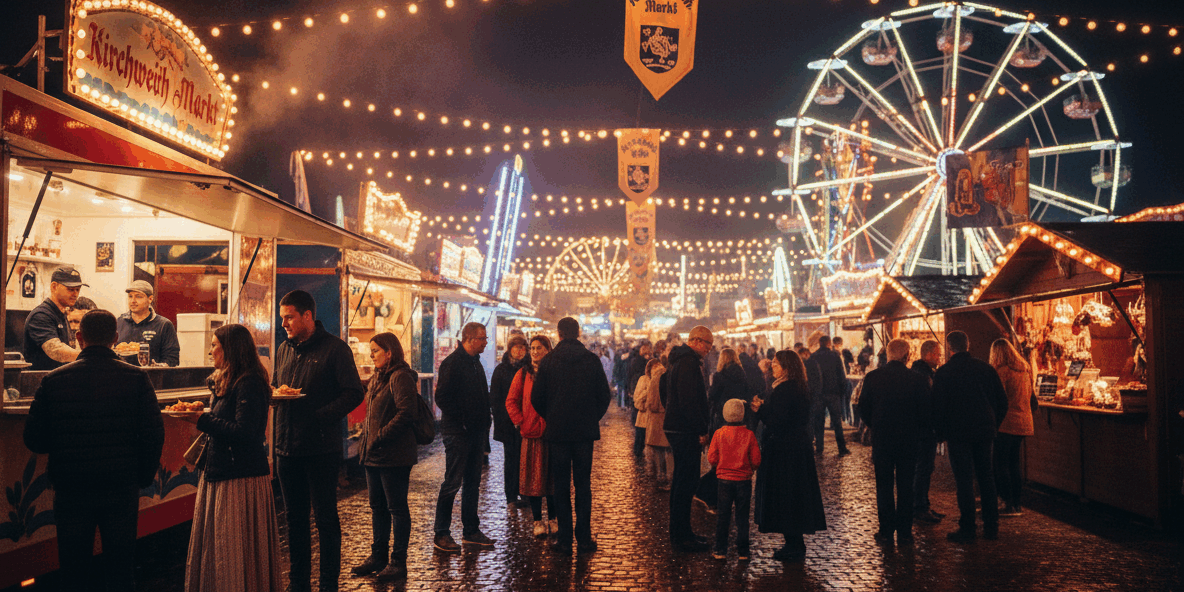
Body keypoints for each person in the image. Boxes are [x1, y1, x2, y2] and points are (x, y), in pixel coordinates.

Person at [24, 309, 164, 590]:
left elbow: (34, 439)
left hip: (71, 488)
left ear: (79, 337)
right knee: (120, 570)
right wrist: (143, 477)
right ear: (115, 338)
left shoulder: (53, 380)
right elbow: (153, 434)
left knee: (74, 571)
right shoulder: (137, 378)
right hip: (121, 487)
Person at [273, 290, 365, 592]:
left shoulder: (335, 349)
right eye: (282, 317)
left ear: (307, 316)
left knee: (325, 517)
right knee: (295, 520)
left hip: (321, 448)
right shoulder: (284, 349)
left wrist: (321, 416)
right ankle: (298, 583)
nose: (283, 323)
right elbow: (279, 386)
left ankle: (328, 584)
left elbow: (353, 392)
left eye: (289, 317)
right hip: (287, 448)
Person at [182, 324, 283, 591]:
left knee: (232, 545)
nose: (211, 350)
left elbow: (246, 433)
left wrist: (202, 419)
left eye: (215, 345)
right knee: (222, 545)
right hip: (222, 471)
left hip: (239, 477)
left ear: (231, 349)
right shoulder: (229, 379)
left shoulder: (249, 382)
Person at [532, 317, 612, 555]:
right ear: (578, 333)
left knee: (561, 486)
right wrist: (590, 417)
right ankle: (584, 538)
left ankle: (565, 539)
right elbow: (604, 396)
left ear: (558, 334)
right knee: (583, 485)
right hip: (584, 433)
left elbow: (537, 398)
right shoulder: (591, 360)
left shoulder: (548, 362)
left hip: (557, 433)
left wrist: (552, 416)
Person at [351, 332, 419, 581]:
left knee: (396, 508)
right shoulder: (378, 377)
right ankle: (378, 557)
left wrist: (380, 436)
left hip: (394, 455)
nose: (372, 354)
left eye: (376, 350)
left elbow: (406, 413)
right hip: (373, 455)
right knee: (377, 507)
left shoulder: (400, 376)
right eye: (371, 350)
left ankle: (398, 562)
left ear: (389, 352)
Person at [933, 331, 1008, 543]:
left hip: (958, 434)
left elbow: (937, 407)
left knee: (964, 480)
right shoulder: (986, 369)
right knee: (986, 478)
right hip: (984, 431)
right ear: (968, 344)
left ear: (949, 347)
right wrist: (994, 424)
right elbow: (1002, 402)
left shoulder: (944, 372)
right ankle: (991, 526)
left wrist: (941, 433)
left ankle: (968, 527)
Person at [752, 349, 827, 561]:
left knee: (787, 496)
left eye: (775, 363)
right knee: (793, 495)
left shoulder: (786, 389)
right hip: (794, 448)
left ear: (787, 367)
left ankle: (794, 545)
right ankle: (794, 543)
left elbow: (779, 420)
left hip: (786, 451)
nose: (771, 366)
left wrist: (761, 410)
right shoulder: (794, 386)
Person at [857, 339, 931, 546]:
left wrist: (875, 425)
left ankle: (886, 531)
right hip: (909, 439)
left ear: (887, 355)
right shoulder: (917, 379)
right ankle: (905, 533)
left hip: (883, 439)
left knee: (884, 485)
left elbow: (863, 408)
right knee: (906, 486)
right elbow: (925, 411)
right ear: (908, 355)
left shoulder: (873, 377)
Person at [432, 322, 495, 553]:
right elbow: (442, 398)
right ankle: (441, 533)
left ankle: (471, 531)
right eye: (482, 338)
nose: (485, 342)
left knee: (472, 483)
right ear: (469, 338)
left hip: (477, 433)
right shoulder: (453, 363)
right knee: (452, 482)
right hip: (458, 433)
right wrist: (464, 420)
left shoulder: (476, 363)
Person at [660, 325, 714, 553]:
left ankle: (682, 532)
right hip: (685, 430)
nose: (709, 350)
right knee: (685, 483)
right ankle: (681, 537)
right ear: (698, 341)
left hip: (677, 427)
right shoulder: (688, 363)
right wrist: (701, 428)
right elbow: (689, 400)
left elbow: (666, 391)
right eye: (708, 345)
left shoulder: (677, 361)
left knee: (681, 483)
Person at [506, 335, 558, 537]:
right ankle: (537, 520)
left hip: (552, 433)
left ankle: (553, 519)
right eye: (533, 348)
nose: (535, 352)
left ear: (548, 350)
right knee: (534, 480)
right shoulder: (522, 374)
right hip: (531, 433)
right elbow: (511, 401)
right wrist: (520, 421)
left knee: (552, 479)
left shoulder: (555, 372)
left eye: (539, 348)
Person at [708, 398, 761, 561]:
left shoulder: (719, 434)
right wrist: (749, 468)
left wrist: (721, 465)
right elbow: (757, 460)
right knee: (742, 517)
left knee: (723, 516)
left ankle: (720, 549)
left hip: (724, 480)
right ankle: (743, 551)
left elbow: (711, 457)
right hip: (743, 481)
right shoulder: (749, 435)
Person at [990, 338, 1034, 517]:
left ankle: (1007, 502)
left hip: (1006, 422)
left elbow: (997, 397)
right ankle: (1017, 503)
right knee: (1014, 463)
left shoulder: (1002, 372)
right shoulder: (1024, 370)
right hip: (1024, 421)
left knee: (1000, 463)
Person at [491, 334, 529, 509]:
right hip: (508, 425)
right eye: (516, 347)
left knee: (526, 460)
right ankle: (511, 496)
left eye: (522, 347)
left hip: (527, 424)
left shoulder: (531, 369)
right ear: (510, 349)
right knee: (511, 460)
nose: (519, 351)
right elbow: (496, 399)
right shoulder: (501, 370)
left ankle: (526, 494)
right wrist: (504, 420)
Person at [23, 266, 86, 370]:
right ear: (54, 287)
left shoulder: (62, 314)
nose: (75, 294)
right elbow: (55, 351)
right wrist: (89, 356)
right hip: (42, 382)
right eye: (70, 289)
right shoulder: (41, 315)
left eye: (78, 289)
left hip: (58, 380)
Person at [911, 339, 946, 524]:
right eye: (938, 354)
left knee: (925, 468)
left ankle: (923, 504)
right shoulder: (923, 375)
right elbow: (927, 405)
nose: (939, 358)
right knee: (923, 468)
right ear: (929, 354)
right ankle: (919, 507)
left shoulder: (923, 373)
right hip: (924, 431)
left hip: (923, 430)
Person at [116, 280, 181, 367]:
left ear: (150, 299)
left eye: (138, 297)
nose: (133, 301)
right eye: (130, 296)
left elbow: (173, 358)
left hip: (151, 377)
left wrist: (160, 366)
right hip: (122, 376)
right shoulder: (119, 322)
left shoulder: (163, 324)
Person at [809, 336, 851, 456]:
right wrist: (841, 391)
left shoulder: (814, 356)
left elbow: (811, 377)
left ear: (819, 343)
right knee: (837, 422)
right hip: (833, 393)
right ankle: (841, 448)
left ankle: (819, 447)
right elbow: (841, 375)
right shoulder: (835, 356)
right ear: (828, 343)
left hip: (818, 394)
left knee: (819, 421)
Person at [638, 359, 672, 489]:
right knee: (669, 450)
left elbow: (651, 403)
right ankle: (670, 477)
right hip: (668, 417)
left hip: (656, 419)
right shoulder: (670, 375)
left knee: (659, 450)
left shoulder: (655, 379)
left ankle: (661, 476)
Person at [628, 341, 653, 457]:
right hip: (640, 390)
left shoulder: (634, 361)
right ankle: (638, 448)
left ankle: (638, 448)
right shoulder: (645, 365)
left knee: (637, 418)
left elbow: (629, 375)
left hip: (635, 389)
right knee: (640, 420)